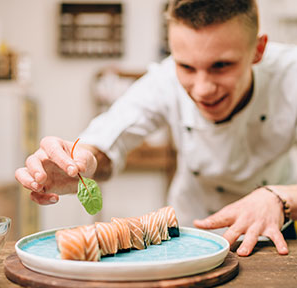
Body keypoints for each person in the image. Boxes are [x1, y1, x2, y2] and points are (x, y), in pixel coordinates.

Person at [15, 0, 297, 257]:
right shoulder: (163, 79)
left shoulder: (290, 73)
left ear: (258, 50)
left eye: (221, 66)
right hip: (191, 238)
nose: (203, 89)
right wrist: (80, 162)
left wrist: (282, 198)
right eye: (186, 67)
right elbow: (109, 138)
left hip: (276, 238)